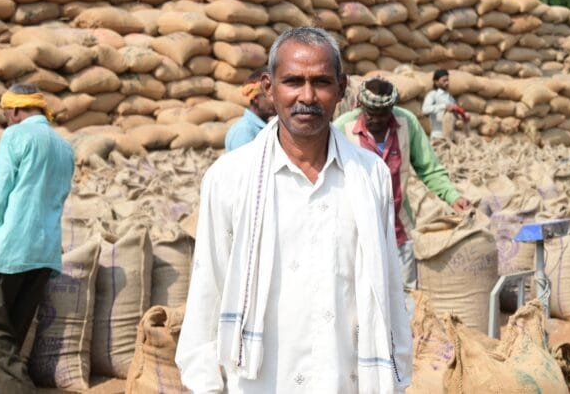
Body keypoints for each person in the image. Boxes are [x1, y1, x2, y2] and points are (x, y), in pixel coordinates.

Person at [176, 27, 411, 393]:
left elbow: (388, 285)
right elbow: (209, 286)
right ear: (269, 88)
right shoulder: (229, 178)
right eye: (293, 81)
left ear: (341, 88)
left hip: (343, 380)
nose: (307, 96)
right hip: (260, 382)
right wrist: (205, 384)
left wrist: (396, 378)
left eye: (321, 82)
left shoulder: (370, 176)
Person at [0, 83, 75, 394]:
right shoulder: (64, 147)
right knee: (7, 338)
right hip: (44, 252)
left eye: (6, 114)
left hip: (10, 249)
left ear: (15, 109)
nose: (6, 120)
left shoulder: (16, 136)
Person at [335, 77, 470, 292]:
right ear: (361, 106)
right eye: (371, 114)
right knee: (361, 294)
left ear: (392, 108)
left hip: (398, 229)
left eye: (383, 114)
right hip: (356, 233)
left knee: (405, 295)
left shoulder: (407, 123)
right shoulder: (342, 128)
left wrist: (453, 197)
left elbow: (429, 168)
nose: (377, 120)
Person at [224, 67, 277, 151]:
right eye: (272, 96)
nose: (277, 101)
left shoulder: (267, 127)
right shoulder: (244, 131)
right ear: (256, 98)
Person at [422, 69, 469, 142]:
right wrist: (444, 107)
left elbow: (455, 116)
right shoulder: (433, 95)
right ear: (436, 82)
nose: (447, 83)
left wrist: (463, 116)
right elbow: (425, 110)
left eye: (447, 80)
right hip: (438, 137)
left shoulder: (451, 98)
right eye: (444, 81)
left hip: (451, 138)